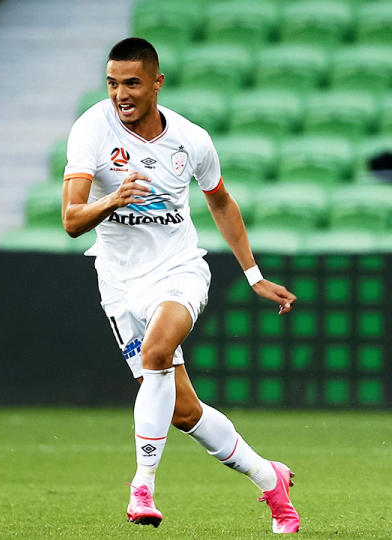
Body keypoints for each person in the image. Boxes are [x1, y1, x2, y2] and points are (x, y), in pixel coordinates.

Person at [61, 38, 299, 533]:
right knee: (182, 410)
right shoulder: (91, 130)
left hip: (178, 270)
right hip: (119, 283)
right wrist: (114, 199)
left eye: (131, 83)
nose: (120, 94)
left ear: (155, 83)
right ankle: (268, 477)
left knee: (157, 354)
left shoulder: (190, 139)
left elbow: (221, 202)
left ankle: (142, 485)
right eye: (112, 83)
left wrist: (254, 276)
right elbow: (70, 219)